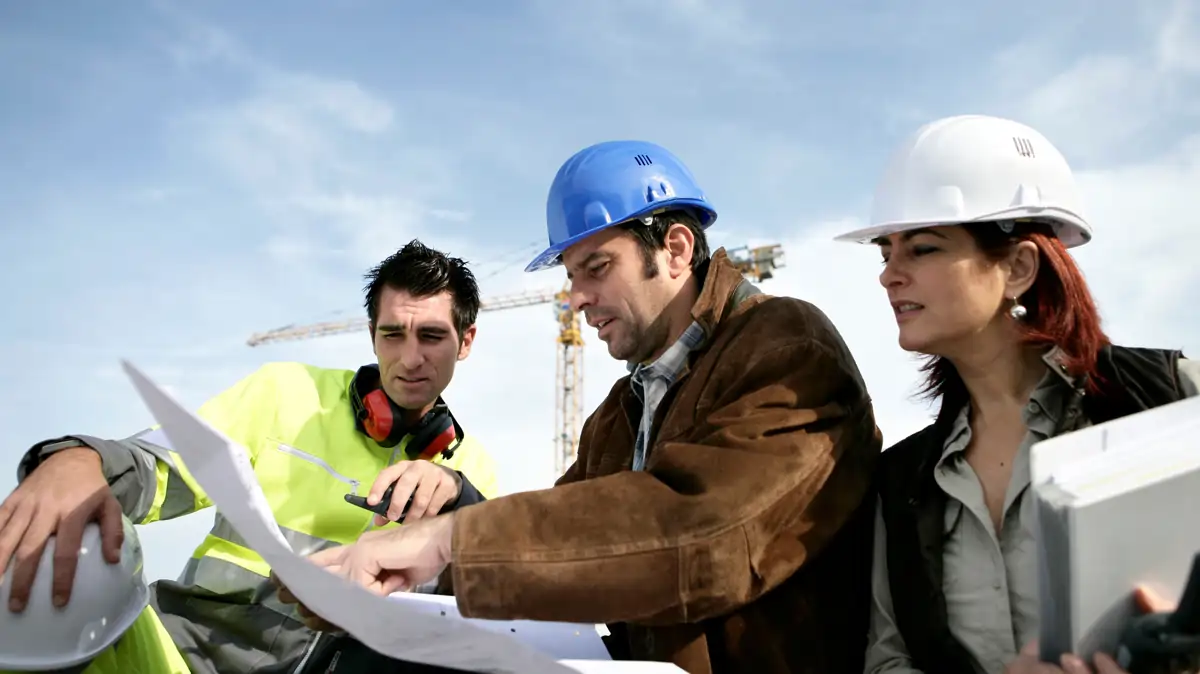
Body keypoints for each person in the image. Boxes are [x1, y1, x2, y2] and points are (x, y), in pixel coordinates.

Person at [277, 139, 885, 674]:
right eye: (571, 275)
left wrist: (446, 541)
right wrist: (432, 547)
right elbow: (570, 543)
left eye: (597, 267)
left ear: (675, 249)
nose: (578, 299)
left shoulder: (784, 346)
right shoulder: (620, 411)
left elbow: (703, 533)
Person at [0, 240, 501, 673]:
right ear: (373, 335)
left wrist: (463, 503)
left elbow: (484, 609)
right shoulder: (284, 393)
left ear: (466, 341)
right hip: (183, 657)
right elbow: (163, 462)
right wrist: (81, 459)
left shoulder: (472, 471)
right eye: (393, 334)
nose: (410, 358)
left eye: (431, 336)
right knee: (65, 538)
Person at [830, 114, 1200, 674]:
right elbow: (888, 659)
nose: (890, 275)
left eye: (923, 249)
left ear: (1020, 267)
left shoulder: (1172, 400)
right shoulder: (901, 480)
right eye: (886, 253)